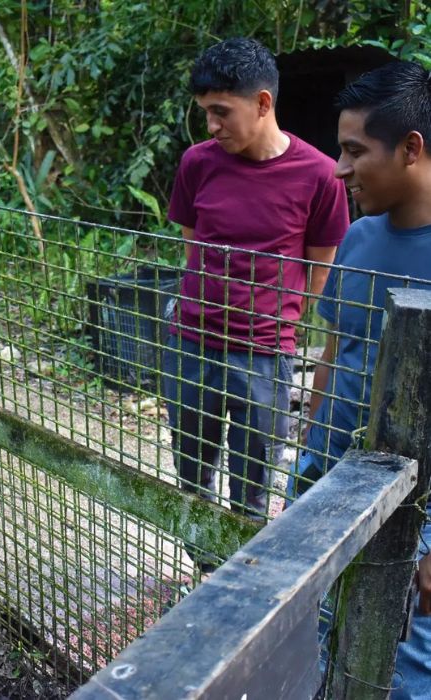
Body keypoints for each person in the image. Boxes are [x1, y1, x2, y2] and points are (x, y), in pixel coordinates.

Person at [284, 60, 431, 698]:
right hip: (330, 479)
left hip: (415, 510)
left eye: (352, 151)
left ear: (411, 148)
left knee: (400, 670)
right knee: (312, 643)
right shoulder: (358, 238)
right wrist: (303, 468)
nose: (337, 169)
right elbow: (333, 351)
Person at [163, 37, 349, 531]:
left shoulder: (320, 175)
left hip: (263, 352)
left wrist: (280, 327)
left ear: (263, 103)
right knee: (191, 477)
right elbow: (192, 249)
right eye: (205, 112)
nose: (212, 125)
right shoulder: (197, 163)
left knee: (253, 485)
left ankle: (244, 582)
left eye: (222, 111)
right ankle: (205, 572)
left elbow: (320, 272)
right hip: (191, 342)